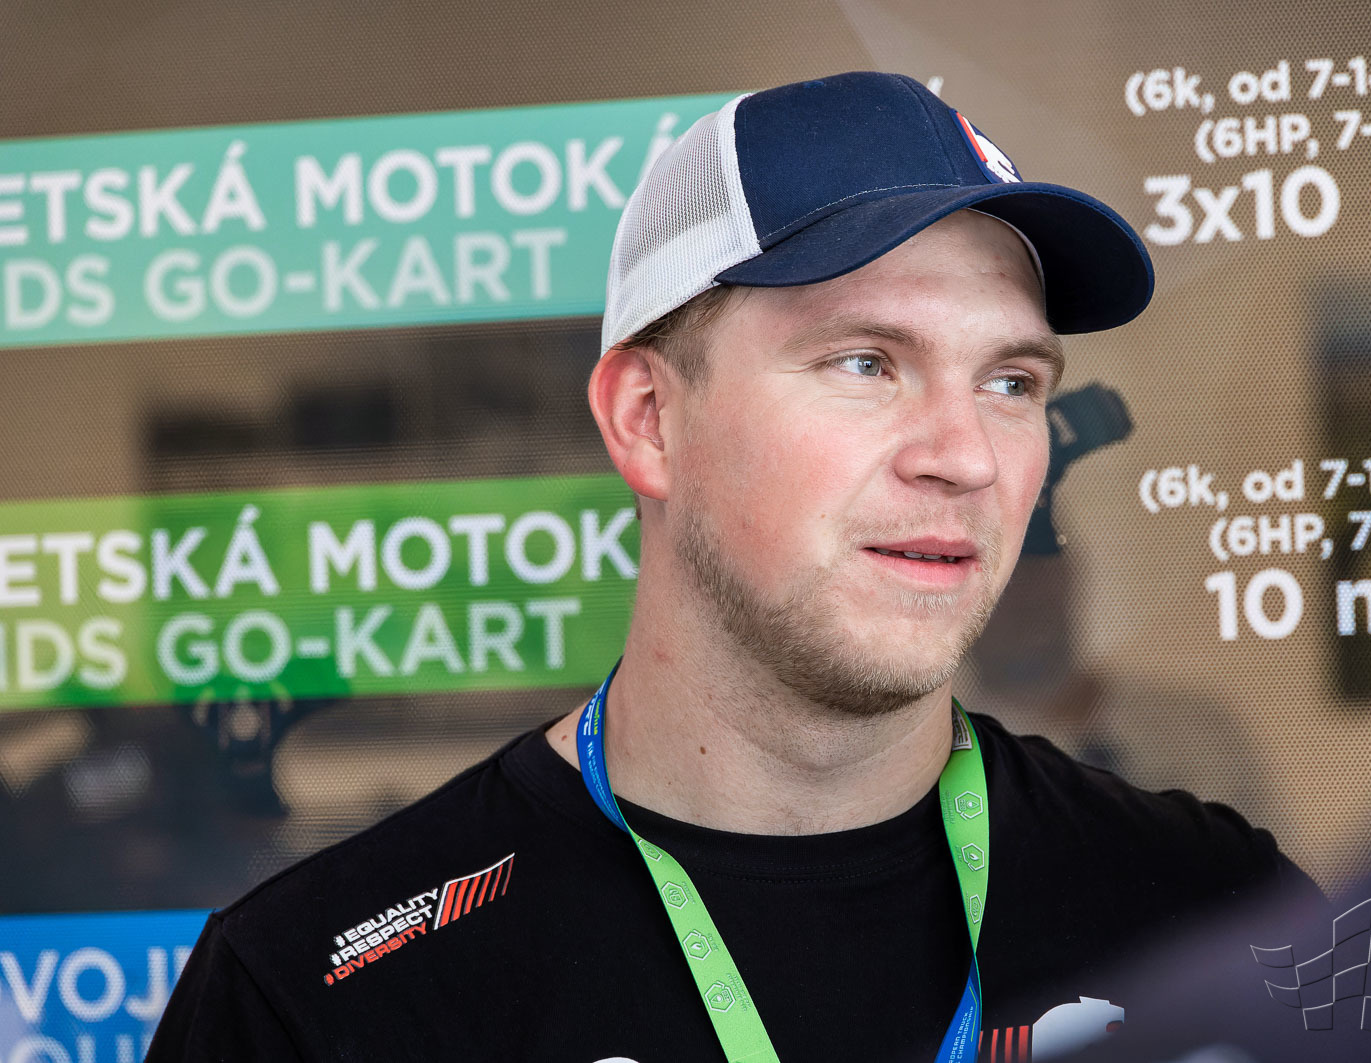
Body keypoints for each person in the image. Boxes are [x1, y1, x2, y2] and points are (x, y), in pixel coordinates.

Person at [148, 71, 1312, 1063]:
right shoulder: (315, 995)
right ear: (648, 419)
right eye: (864, 362)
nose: (965, 455)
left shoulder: (1220, 917)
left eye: (1010, 382)